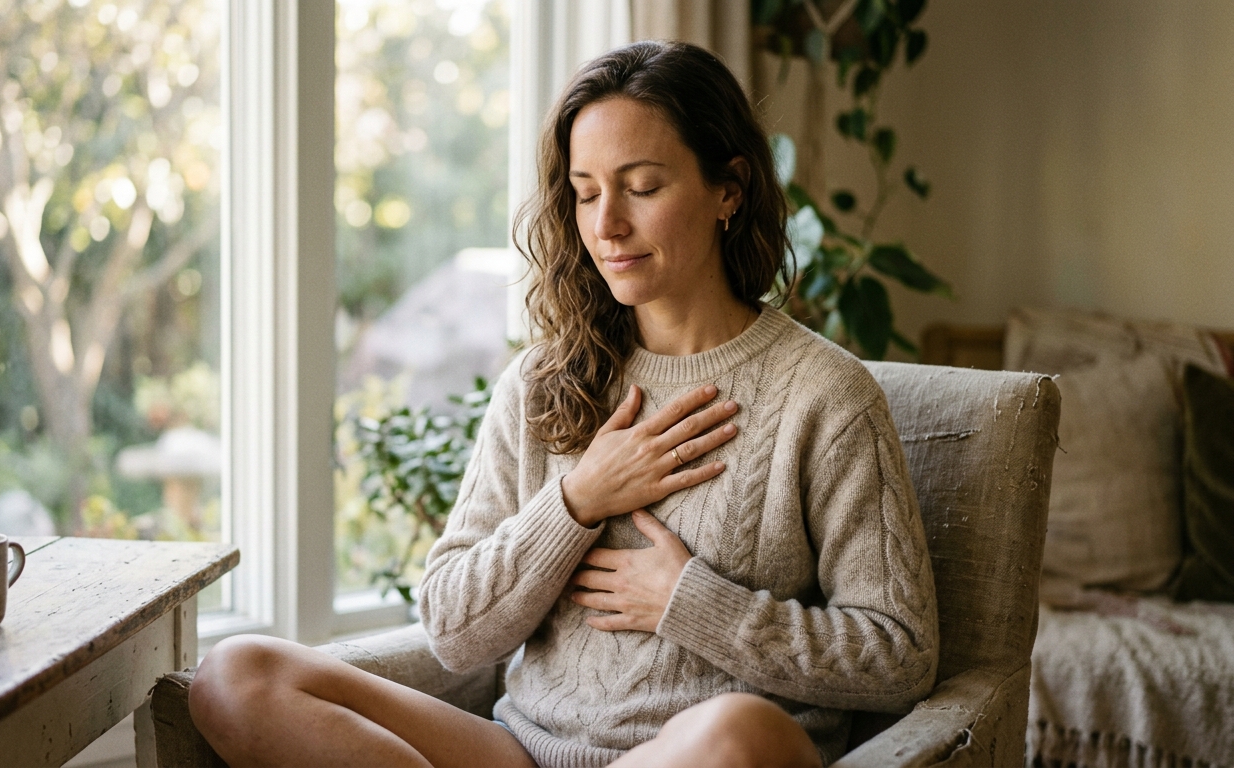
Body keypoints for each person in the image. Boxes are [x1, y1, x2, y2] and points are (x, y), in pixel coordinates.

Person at [188, 40, 938, 768]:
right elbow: (452, 628)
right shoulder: (544, 381)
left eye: (642, 188)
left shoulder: (826, 396)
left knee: (742, 732)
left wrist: (692, 602)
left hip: (705, 757)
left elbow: (899, 656)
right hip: (522, 750)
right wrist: (576, 500)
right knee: (237, 677)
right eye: (585, 193)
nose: (607, 225)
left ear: (728, 190)